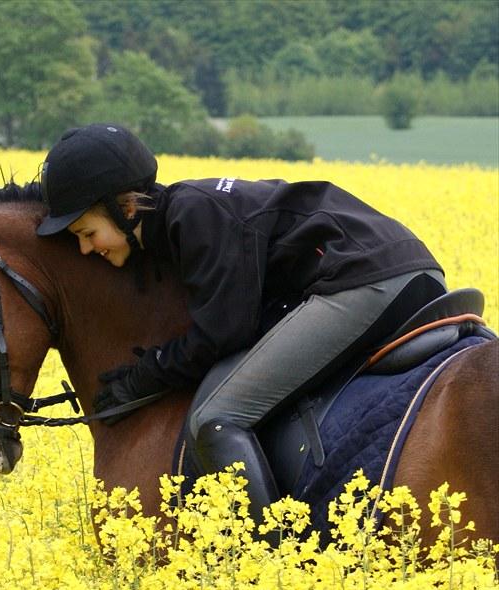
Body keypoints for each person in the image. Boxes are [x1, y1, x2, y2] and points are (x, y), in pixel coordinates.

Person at [36, 123, 446, 534]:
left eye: (87, 233)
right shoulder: (186, 213)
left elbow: (223, 333)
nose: (87, 248)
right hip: (407, 270)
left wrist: (144, 377)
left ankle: (271, 553)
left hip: (366, 281)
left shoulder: (193, 215)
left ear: (125, 210)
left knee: (219, 416)